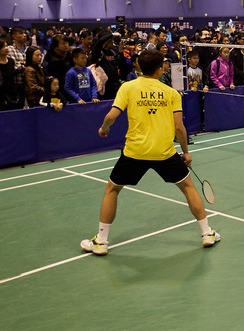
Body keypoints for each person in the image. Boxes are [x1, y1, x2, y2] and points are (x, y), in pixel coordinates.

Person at [81, 50, 220, 256]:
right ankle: (207, 233)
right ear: (160, 68)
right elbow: (179, 128)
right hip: (164, 152)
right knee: (188, 187)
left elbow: (112, 114)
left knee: (112, 189)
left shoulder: (127, 87)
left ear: (138, 66)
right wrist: (186, 153)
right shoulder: (171, 92)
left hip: (134, 153)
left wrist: (104, 128)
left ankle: (101, 241)